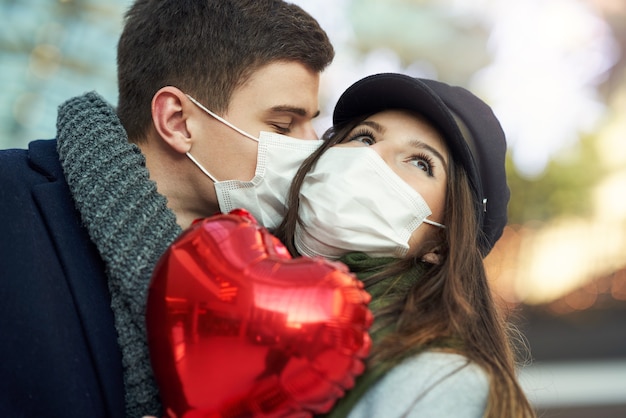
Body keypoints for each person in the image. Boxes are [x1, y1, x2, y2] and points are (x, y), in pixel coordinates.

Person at [0, 1, 333, 417]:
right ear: (177, 120)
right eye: (283, 126)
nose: (312, 148)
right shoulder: (10, 204)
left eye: (314, 125)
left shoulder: (283, 273)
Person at [275, 73, 536, 417]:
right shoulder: (230, 292)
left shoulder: (440, 384)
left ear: (441, 244)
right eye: (365, 138)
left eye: (420, 162)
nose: (372, 157)